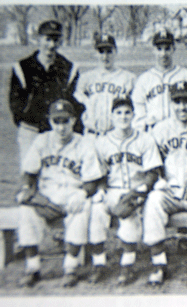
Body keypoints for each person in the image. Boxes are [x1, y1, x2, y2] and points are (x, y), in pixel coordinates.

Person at [15, 99, 105, 288]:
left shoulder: (84, 143)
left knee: (82, 206)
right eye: (57, 121)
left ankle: (70, 268)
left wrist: (82, 194)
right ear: (50, 121)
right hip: (47, 196)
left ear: (73, 120)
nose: (61, 126)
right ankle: (32, 268)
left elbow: (91, 180)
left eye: (65, 121)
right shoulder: (41, 140)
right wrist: (27, 190)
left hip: (73, 193)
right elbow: (29, 173)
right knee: (26, 210)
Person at [142, 81, 187, 286]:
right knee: (153, 201)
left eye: (186, 101)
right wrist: (159, 181)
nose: (182, 107)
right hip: (171, 191)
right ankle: (159, 263)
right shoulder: (160, 129)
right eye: (177, 101)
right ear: (171, 103)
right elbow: (152, 162)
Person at [88, 97, 162, 285]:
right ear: (112, 116)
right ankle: (99, 264)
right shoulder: (101, 142)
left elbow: (153, 172)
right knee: (96, 212)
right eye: (118, 113)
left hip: (137, 190)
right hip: (112, 190)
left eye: (127, 112)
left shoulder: (145, 139)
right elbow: (99, 173)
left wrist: (140, 192)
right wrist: (101, 190)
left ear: (133, 114)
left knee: (129, 217)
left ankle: (126, 267)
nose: (123, 116)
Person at [9, 20, 84, 167]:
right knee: (30, 173)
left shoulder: (68, 68)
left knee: (59, 175)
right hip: (31, 130)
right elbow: (16, 103)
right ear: (38, 39)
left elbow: (74, 103)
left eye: (55, 40)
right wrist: (29, 121)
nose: (51, 45)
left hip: (58, 131)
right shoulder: (23, 67)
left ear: (60, 41)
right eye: (47, 39)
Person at [131, 29, 187, 131]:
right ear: (153, 50)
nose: (163, 53)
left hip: (182, 132)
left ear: (173, 49)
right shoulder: (144, 79)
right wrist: (144, 122)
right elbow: (137, 108)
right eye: (159, 49)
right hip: (153, 132)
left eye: (167, 48)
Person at [74, 34, 136, 136]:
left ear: (116, 51)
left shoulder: (128, 78)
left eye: (109, 51)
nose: (105, 56)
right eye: (101, 52)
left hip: (116, 135)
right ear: (95, 53)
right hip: (91, 135)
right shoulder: (85, 78)